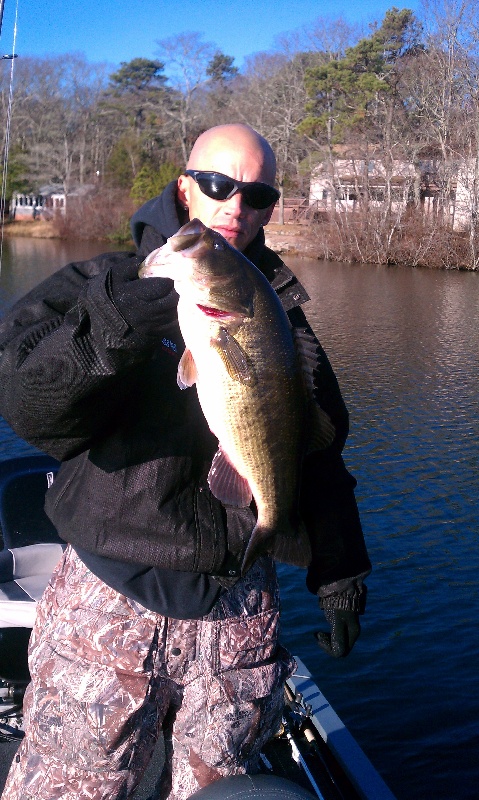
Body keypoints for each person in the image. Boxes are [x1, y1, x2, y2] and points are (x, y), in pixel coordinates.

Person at [0, 124, 371, 800]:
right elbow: (29, 403)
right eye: (218, 185)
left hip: (236, 608)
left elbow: (316, 454)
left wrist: (338, 568)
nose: (235, 206)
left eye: (256, 193)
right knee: (72, 782)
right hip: (110, 598)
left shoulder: (283, 316)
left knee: (216, 786)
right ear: (183, 186)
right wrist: (113, 325)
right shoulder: (100, 281)